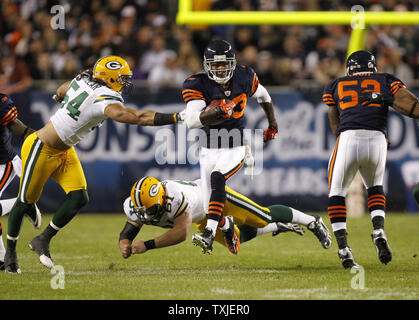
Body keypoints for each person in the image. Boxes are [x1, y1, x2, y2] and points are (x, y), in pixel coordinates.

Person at [4, 56, 182, 274]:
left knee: (79, 197)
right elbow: (134, 117)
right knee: (24, 201)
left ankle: (43, 239)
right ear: (110, 78)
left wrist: (62, 99)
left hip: (64, 150)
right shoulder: (104, 97)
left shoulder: (85, 78)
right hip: (40, 147)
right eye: (122, 79)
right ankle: (10, 253)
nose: (126, 83)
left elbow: (62, 89)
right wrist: (176, 117)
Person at [180, 39, 279, 255]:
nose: (220, 68)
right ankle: (227, 226)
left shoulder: (244, 76)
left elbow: (263, 95)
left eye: (224, 64)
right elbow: (192, 121)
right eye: (215, 65)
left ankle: (208, 234)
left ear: (232, 62)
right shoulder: (197, 83)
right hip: (208, 148)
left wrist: (272, 122)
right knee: (209, 209)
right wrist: (212, 113)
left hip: (235, 144)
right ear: (207, 66)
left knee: (218, 177)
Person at [322, 50, 419, 269]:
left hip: (348, 137)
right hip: (377, 138)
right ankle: (378, 230)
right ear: (373, 67)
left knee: (336, 192)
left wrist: (342, 137)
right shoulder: (385, 79)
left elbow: (333, 118)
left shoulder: (336, 84)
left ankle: (344, 249)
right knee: (375, 187)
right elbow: (407, 102)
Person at [118, 177, 331, 258]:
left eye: (152, 209)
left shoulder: (174, 196)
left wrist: (147, 245)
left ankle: (313, 221)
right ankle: (276, 226)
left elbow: (181, 233)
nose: (148, 215)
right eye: (144, 210)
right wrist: (125, 241)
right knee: (237, 244)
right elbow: (132, 224)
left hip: (216, 198)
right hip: (203, 217)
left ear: (163, 197)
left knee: (263, 216)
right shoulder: (141, 205)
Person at [0, 93, 41, 270]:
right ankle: (2, 260)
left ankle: (23, 204)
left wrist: (35, 138)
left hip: (2, 163)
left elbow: (16, 125)